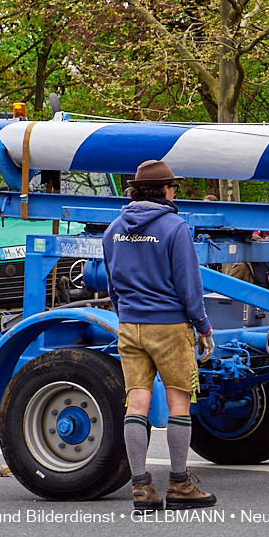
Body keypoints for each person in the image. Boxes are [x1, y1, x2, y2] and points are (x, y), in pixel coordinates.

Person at [102, 159, 216, 511]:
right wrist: (202, 326)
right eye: (173, 186)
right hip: (168, 326)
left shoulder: (113, 229)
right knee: (178, 402)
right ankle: (179, 484)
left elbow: (112, 283)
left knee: (136, 402)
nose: (174, 192)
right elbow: (188, 284)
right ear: (164, 190)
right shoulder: (174, 227)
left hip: (129, 325)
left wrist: (127, 317)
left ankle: (141, 488)